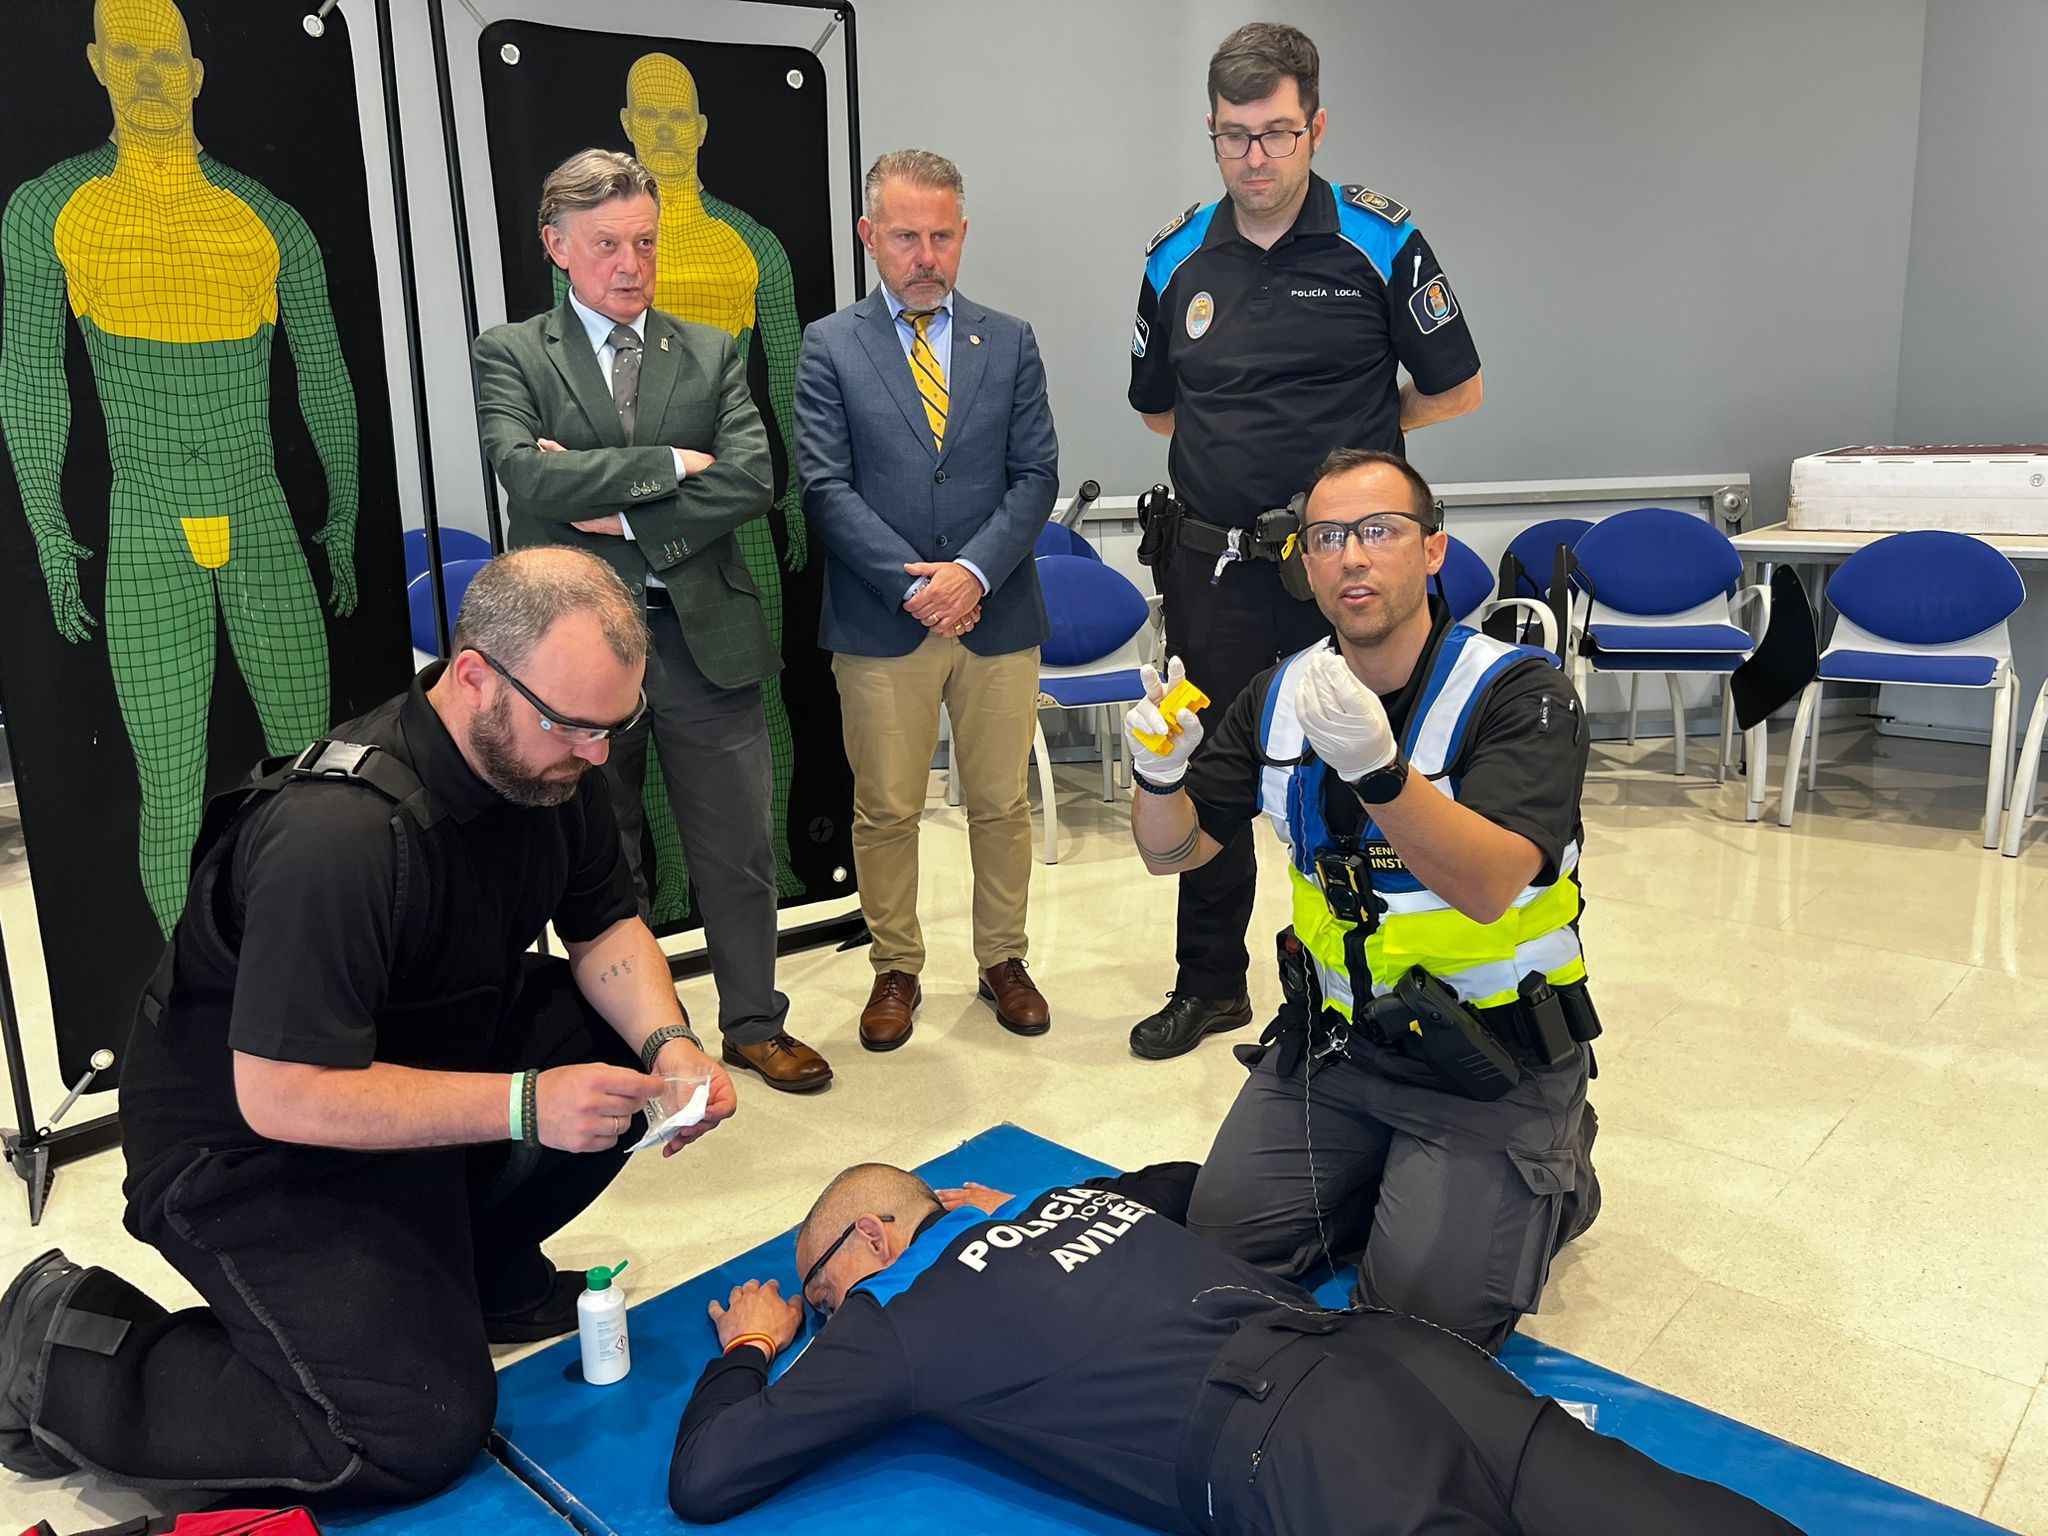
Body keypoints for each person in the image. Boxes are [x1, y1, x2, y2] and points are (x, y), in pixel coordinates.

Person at [0, 549, 737, 1502]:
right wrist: (522, 1104)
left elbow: (603, 927)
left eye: (613, 726)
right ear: (472, 675)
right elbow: (281, 1093)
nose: (595, 755)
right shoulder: (339, 840)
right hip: (242, 1143)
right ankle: (62, 1343)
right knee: (411, 1428)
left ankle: (476, 1270)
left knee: (608, 1054)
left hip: (407, 1057)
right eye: (568, 724)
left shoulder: (555, 773)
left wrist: (667, 1047)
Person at [1125, 449, 1599, 1353]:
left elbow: (1489, 884)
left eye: (1380, 531)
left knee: (1421, 1323)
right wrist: (1158, 773)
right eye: (1327, 537)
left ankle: (1559, 1165)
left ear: (1431, 551)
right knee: (1219, 1252)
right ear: (1305, 565)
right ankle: (1394, 1178)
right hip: (1337, 1052)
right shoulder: (1277, 696)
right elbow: (1175, 853)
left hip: (1491, 1062)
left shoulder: (1516, 693)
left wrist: (1380, 772)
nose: (1352, 557)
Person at [664, 1161, 1804, 1535]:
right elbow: (1174, 1180)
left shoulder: (896, 1320)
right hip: (1406, 1360)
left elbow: (708, 1478)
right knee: (1666, 1512)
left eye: (820, 1289)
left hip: (1309, 1446)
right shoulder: (1073, 1197)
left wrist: (753, 1349)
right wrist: (990, 1212)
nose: (824, 1316)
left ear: (872, 1236)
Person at [1125, 22, 1484, 1060]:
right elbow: (1158, 410)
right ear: (1211, 133)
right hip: (1216, 569)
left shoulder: (1378, 241)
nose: (1256, 157)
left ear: (1314, 126)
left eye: (1277, 133)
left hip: (1349, 568)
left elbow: (1455, 385)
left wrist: (1365, 447)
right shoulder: (1174, 256)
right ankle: (1209, 984)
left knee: (1371, 768)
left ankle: (1356, 989)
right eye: (1234, 136)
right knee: (1211, 776)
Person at [0, 0, 360, 935]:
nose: (152, 77)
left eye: (167, 58)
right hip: (149, 516)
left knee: (312, 767)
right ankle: (187, 1005)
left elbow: (323, 374)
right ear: (97, 65)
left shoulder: (265, 217)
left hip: (260, 512)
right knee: (170, 782)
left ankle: (325, 960)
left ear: (195, 72)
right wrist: (45, 522)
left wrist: (345, 515)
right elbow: (34, 379)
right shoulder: (52, 208)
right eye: (131, 58)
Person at [474, 149, 831, 1093]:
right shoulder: (510, 353)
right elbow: (527, 475)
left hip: (701, 639)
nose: (630, 263)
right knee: (601, 855)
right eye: (605, 245)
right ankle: (634, 1038)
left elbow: (756, 478)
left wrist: (622, 512)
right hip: (571, 657)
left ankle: (755, 1023)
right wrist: (674, 464)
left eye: (643, 242)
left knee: (739, 849)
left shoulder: (710, 350)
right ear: (558, 247)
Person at [795, 149, 1058, 1051]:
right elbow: (825, 488)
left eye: (941, 235)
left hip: (997, 615)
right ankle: (895, 967)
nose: (925, 254)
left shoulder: (1011, 339)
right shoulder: (831, 344)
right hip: (881, 621)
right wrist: (919, 587)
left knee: (1001, 802)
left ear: (963, 233)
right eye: (905, 235)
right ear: (870, 236)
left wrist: (972, 575)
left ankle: (1002, 960)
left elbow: (1035, 477)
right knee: (887, 808)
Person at [602, 51, 809, 912]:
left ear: (701, 129)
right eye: (649, 118)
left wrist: (794, 496)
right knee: (639, 709)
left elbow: (788, 376)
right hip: (631, 530)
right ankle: (677, 882)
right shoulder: (600, 255)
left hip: (737, 516)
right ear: (628, 129)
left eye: (679, 117)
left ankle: (777, 861)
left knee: (761, 696)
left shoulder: (748, 243)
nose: (665, 133)